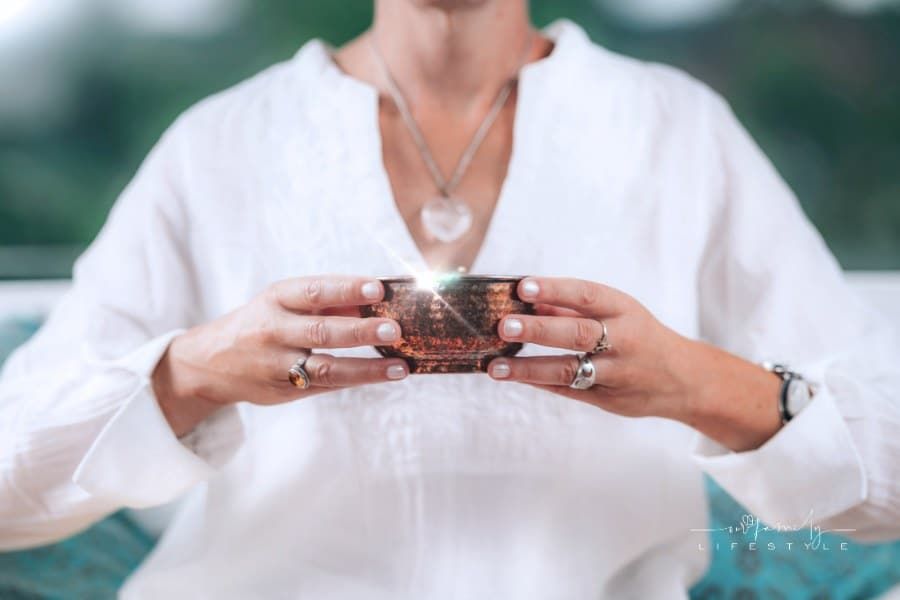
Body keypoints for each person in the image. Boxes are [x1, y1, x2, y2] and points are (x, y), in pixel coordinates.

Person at [1, 0, 898, 597]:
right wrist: (194, 371)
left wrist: (694, 381)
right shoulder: (218, 146)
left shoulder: (676, 130)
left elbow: (885, 485)